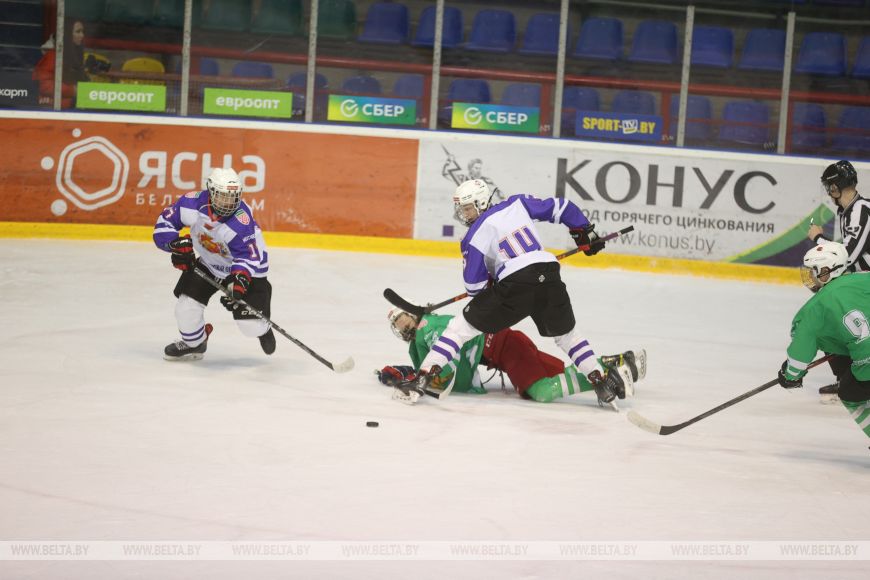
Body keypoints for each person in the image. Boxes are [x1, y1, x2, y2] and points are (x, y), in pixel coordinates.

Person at [395, 178, 629, 406]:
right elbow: (562, 207)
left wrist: (492, 280)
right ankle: (600, 380)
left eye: (467, 208)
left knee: (459, 328)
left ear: (481, 203)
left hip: (515, 284)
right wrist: (584, 231)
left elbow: (474, 287)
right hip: (549, 274)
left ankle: (423, 376)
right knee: (567, 335)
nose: (464, 214)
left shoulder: (473, 235)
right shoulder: (518, 203)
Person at [379, 308, 646, 407]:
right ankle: (622, 362)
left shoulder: (429, 329)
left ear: (414, 316)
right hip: (508, 345)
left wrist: (417, 381)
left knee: (541, 391)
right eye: (399, 326)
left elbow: (450, 373)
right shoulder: (427, 332)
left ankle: (611, 378)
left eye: (404, 320)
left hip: (507, 348)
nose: (404, 327)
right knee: (561, 373)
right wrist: (409, 372)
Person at [153, 167, 275, 361]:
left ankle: (263, 327)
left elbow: (247, 257)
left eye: (233, 197)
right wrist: (174, 245)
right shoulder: (191, 203)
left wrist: (238, 282)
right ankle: (196, 343)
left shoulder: (240, 221)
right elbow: (164, 224)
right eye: (223, 196)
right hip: (210, 263)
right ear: (210, 192)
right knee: (185, 308)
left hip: (248, 270)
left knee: (249, 326)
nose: (228, 203)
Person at [776, 241, 870, 443]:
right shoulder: (865, 278)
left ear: (828, 271)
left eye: (813, 271)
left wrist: (790, 375)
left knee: (850, 393)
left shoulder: (815, 307)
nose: (810, 277)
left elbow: (800, 352)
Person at [806, 160, 870, 401]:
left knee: (832, 319)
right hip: (860, 285)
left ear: (835, 187)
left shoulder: (861, 209)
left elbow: (849, 254)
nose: (828, 191)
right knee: (833, 321)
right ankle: (848, 380)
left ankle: (855, 382)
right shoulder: (847, 211)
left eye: (829, 187)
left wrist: (818, 239)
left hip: (865, 287)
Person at [33, 20, 89, 108]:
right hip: (52, 108)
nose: (82, 35)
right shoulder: (53, 55)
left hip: (71, 106)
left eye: (83, 32)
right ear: (67, 34)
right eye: (78, 32)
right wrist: (73, 90)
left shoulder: (75, 54)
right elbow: (44, 85)